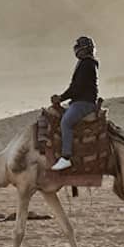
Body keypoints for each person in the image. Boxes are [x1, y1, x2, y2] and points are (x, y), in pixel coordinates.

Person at [50, 35, 100, 171]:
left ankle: (66, 157)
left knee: (66, 122)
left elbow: (77, 88)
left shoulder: (87, 64)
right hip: (80, 101)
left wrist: (60, 98)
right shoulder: (86, 63)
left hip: (84, 103)